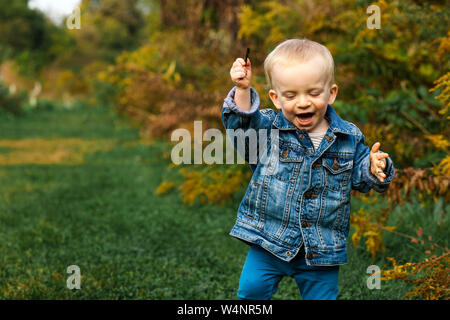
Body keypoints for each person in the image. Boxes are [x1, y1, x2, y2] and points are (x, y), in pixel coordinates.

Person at [221, 38, 395, 300]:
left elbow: (362, 178)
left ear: (331, 93)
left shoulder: (348, 137)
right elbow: (243, 128)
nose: (303, 103)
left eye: (313, 93)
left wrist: (374, 166)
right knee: (251, 292)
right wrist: (243, 90)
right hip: (268, 240)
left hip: (322, 248)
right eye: (291, 95)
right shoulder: (270, 129)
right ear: (276, 98)